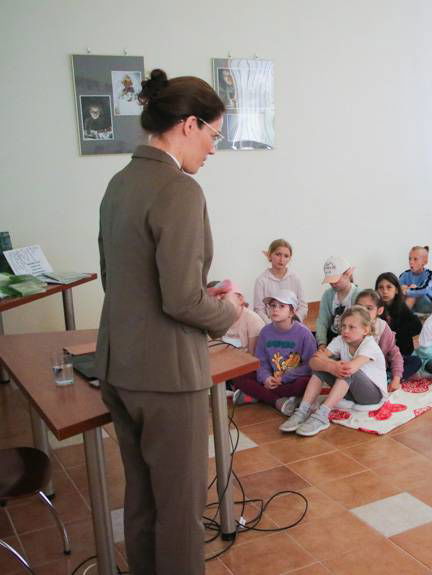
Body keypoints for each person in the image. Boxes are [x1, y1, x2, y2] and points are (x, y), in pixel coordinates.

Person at [95, 69, 242, 575]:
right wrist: (230, 311)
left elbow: (117, 278)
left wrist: (202, 292)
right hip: (166, 376)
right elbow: (180, 299)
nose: (214, 149)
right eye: (213, 135)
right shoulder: (179, 190)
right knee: (179, 512)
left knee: (141, 502)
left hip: (119, 365)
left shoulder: (120, 182)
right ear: (188, 124)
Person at [281, 306, 389, 435]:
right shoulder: (340, 340)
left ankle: (322, 415)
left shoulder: (369, 345)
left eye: (351, 327)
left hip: (371, 396)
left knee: (346, 371)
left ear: (365, 330)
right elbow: (313, 362)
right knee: (321, 369)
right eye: (343, 326)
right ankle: (302, 411)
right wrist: (330, 366)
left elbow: (350, 368)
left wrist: (329, 364)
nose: (345, 331)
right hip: (351, 392)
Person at [232, 291, 316, 415]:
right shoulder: (265, 332)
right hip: (272, 378)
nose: (275, 309)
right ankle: (277, 401)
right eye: (272, 306)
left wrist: (284, 378)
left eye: (282, 306)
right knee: (238, 375)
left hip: (292, 379)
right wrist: (265, 378)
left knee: (306, 383)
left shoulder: (304, 334)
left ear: (292, 312)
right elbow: (260, 361)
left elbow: (309, 365)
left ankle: (259, 395)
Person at [355, 289, 421, 392]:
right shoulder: (350, 325)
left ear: (379, 311)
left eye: (369, 308)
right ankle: (380, 381)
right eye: (359, 307)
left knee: (415, 361)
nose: (363, 312)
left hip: (381, 369)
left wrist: (396, 379)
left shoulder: (382, 327)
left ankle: (388, 379)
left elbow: (395, 354)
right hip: (358, 370)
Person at [252, 238, 308, 322]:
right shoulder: (261, 280)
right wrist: (271, 325)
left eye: (286, 256)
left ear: (290, 258)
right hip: (270, 326)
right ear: (270, 255)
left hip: (293, 325)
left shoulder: (295, 278)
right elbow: (259, 309)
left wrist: (293, 322)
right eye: (278, 254)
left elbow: (303, 306)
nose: (281, 259)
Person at [375, 272, 422, 359]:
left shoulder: (402, 307)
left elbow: (417, 326)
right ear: (376, 290)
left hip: (400, 352)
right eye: (381, 288)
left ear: (396, 290)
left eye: (389, 287)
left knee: (415, 361)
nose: (385, 291)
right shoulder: (374, 308)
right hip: (379, 351)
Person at [315, 256, 359, 347]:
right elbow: (322, 321)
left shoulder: (358, 295)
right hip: (333, 337)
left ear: (347, 275)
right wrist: (322, 343)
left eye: (336, 280)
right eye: (330, 281)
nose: (333, 284)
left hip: (352, 339)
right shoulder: (328, 295)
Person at [399, 245, 432, 313]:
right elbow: (397, 289)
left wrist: (407, 290)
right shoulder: (405, 274)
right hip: (411, 306)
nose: (411, 262)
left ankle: (401, 316)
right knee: (402, 288)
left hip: (427, 305)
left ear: (425, 262)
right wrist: (403, 288)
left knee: (413, 290)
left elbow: (424, 290)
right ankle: (406, 314)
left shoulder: (429, 274)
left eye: (415, 259)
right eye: (410, 259)